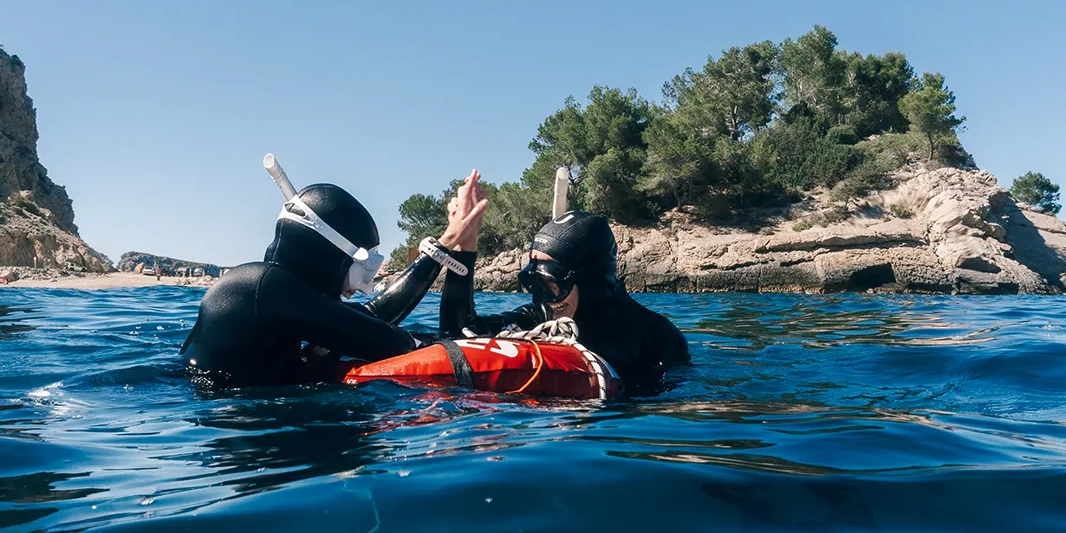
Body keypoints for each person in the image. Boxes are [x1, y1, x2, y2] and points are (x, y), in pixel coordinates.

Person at [180, 173, 488, 385]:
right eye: (362, 266)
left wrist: (448, 247)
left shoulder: (278, 293)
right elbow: (383, 340)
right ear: (326, 254)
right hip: (217, 414)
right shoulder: (262, 286)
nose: (362, 283)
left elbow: (368, 319)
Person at [438, 173, 689, 387]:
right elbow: (457, 333)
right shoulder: (542, 319)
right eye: (531, 282)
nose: (540, 297)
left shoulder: (657, 339)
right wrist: (465, 247)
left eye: (550, 283)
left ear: (591, 281)